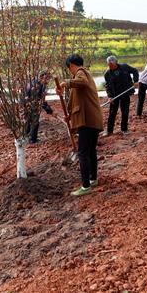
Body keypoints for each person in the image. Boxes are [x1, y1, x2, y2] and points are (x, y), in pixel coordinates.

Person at [57, 54, 104, 196]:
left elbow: (80, 83)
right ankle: (93, 178)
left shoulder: (81, 73)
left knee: (83, 153)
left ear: (71, 65)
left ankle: (85, 186)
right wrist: (69, 116)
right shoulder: (84, 75)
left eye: (69, 68)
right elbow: (77, 101)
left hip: (87, 121)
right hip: (92, 120)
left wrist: (66, 83)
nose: (70, 72)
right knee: (90, 151)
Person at [103, 55, 139, 136]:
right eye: (108, 65)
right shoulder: (107, 73)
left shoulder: (124, 67)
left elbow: (135, 71)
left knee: (125, 111)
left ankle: (124, 129)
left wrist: (136, 81)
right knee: (112, 113)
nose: (110, 66)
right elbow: (107, 86)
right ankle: (109, 131)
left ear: (116, 63)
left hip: (125, 93)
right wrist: (109, 96)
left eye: (111, 64)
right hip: (114, 95)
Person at [24, 71, 53, 144]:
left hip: (28, 104)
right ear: (42, 77)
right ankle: (32, 139)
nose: (48, 81)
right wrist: (49, 111)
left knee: (29, 121)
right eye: (47, 79)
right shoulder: (38, 85)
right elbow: (40, 100)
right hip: (32, 105)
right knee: (34, 122)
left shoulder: (34, 81)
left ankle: (27, 137)